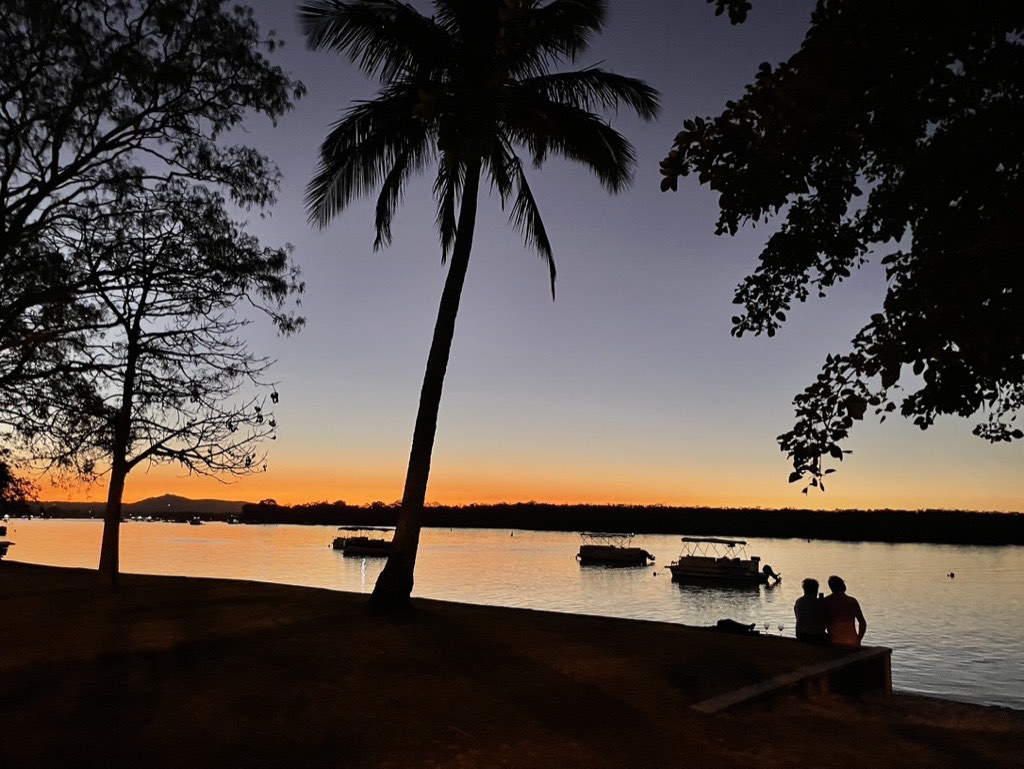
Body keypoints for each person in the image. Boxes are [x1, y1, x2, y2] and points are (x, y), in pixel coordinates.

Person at [822, 575, 867, 646]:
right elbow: (862, 622)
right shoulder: (851, 601)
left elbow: (822, 623)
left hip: (833, 641)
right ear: (842, 585)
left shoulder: (826, 601)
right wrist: (858, 639)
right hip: (851, 640)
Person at [793, 578, 829, 644]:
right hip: (816, 636)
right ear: (816, 589)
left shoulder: (799, 601)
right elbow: (825, 621)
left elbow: (797, 616)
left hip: (800, 635)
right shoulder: (818, 603)